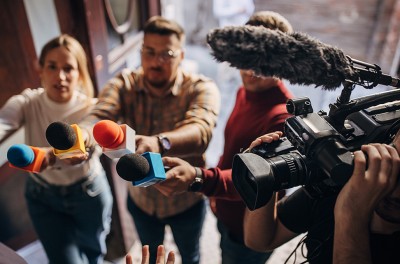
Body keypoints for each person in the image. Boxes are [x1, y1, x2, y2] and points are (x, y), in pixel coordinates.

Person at [154, 11, 294, 264]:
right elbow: (233, 151)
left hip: (249, 229)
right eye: (246, 56)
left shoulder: (282, 117)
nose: (251, 69)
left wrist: (200, 179)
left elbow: (255, 177)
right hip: (225, 209)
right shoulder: (246, 92)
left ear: (284, 61)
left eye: (263, 60)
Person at [80, 16, 220, 264]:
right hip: (142, 202)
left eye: (166, 54)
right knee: (151, 257)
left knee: (191, 256)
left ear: (181, 55)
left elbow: (201, 130)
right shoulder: (124, 83)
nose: (156, 61)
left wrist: (160, 142)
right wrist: (81, 137)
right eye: (149, 51)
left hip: (186, 201)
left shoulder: (201, 87)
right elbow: (99, 115)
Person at [0, 34, 113, 264]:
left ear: (79, 73)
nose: (60, 76)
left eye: (68, 68)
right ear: (40, 69)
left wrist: (55, 155)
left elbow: (91, 136)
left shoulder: (91, 108)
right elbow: (2, 123)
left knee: (94, 256)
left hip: (88, 193)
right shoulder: (27, 102)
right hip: (42, 195)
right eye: (52, 66)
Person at [242, 131, 400, 264]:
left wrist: (351, 214)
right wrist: (267, 176)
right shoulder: (339, 186)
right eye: (396, 166)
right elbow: (260, 240)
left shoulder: (353, 197)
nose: (395, 191)